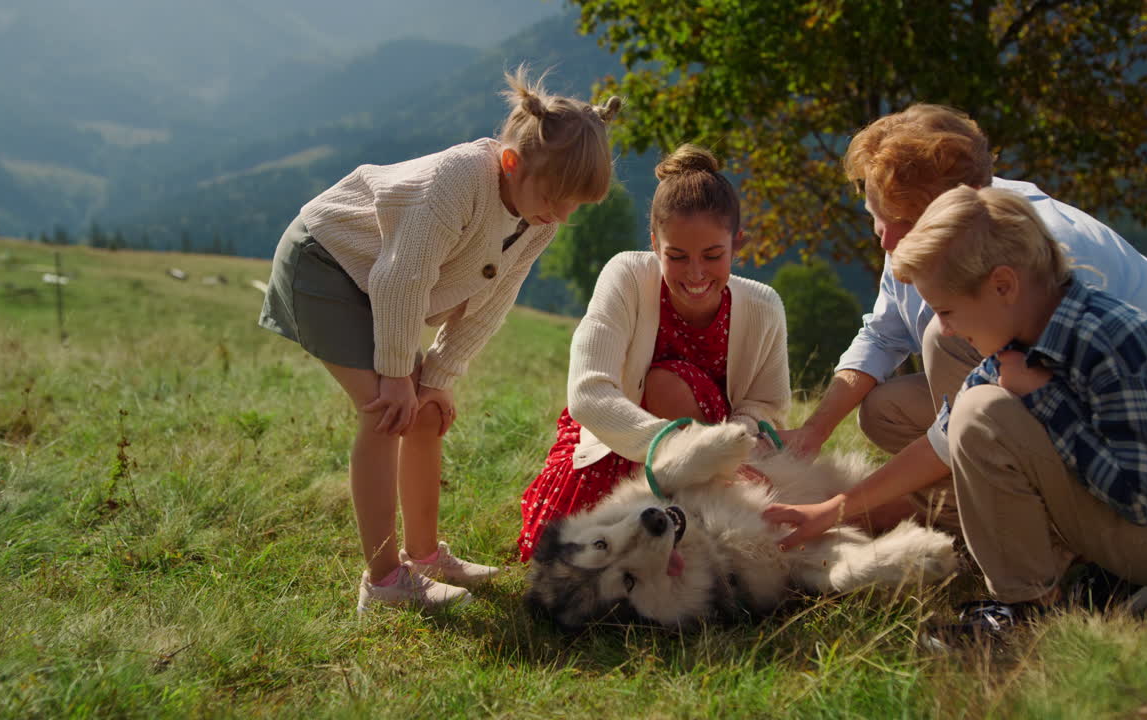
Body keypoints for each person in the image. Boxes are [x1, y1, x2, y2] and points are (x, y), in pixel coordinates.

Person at [258, 66, 621, 611]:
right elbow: (401, 277)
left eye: (575, 206)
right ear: (511, 163)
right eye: (556, 198)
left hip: (378, 284)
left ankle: (425, 558)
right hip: (324, 264)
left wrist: (439, 379)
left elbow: (492, 301)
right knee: (388, 412)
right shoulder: (456, 181)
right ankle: (383, 584)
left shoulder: (539, 217)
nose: (563, 216)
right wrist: (401, 374)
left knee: (425, 412)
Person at [769, 104, 1147, 539]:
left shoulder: (1044, 254)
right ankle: (988, 512)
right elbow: (884, 332)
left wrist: (843, 510)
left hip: (1134, 444)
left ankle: (1049, 542)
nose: (887, 239)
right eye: (875, 215)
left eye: (902, 224)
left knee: (944, 344)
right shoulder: (924, 224)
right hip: (1034, 393)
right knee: (884, 412)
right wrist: (813, 432)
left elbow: (1080, 397)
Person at [890, 186, 1147, 635]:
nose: (948, 330)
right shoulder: (1025, 330)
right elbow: (946, 432)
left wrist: (1041, 397)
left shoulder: (1111, 342)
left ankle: (1024, 611)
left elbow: (1142, 497)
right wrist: (835, 508)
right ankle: (1072, 577)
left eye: (948, 311)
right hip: (1139, 521)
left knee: (984, 413)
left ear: (1002, 285)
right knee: (975, 412)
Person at [517, 144, 792, 562]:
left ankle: (703, 508)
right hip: (621, 439)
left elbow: (767, 404)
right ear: (653, 242)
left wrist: (720, 448)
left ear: (736, 242)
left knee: (667, 380)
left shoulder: (763, 305)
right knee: (565, 554)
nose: (696, 274)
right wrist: (671, 448)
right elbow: (589, 392)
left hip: (716, 451)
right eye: (676, 256)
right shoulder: (626, 274)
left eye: (713, 256)